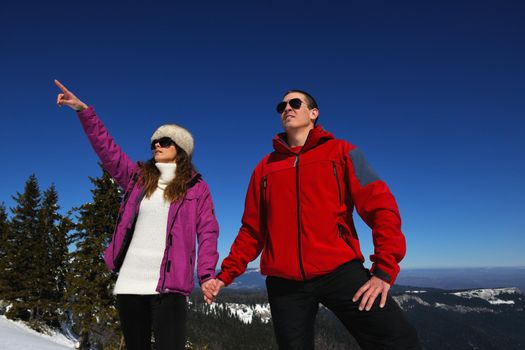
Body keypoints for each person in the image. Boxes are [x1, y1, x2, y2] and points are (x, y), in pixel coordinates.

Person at [211, 90, 421, 349]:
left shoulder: (345, 152)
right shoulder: (264, 168)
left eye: (295, 103)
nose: (287, 108)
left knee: (398, 340)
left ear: (313, 113)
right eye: (282, 105)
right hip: (284, 284)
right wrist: (226, 275)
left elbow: (382, 206)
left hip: (339, 271)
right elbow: (252, 230)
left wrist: (384, 268)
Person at [55, 80, 220, 350]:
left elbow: (208, 231)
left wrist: (206, 275)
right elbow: (107, 151)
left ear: (181, 149)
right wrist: (83, 111)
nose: (156, 144)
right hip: (130, 283)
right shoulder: (138, 179)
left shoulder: (197, 188)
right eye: (154, 141)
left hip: (169, 288)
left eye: (164, 141)